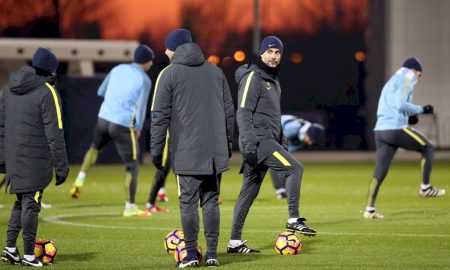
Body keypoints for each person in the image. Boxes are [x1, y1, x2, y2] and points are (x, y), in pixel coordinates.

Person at [151, 29, 234, 267]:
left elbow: (159, 116)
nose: (164, 51)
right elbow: (229, 112)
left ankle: (189, 255)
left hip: (187, 152)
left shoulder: (169, 73)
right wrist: (227, 146)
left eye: (167, 48)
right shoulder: (216, 72)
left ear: (173, 49)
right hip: (215, 153)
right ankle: (212, 255)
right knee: (210, 201)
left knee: (187, 203)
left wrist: (156, 152)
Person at [228, 36, 317, 254]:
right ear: (261, 54)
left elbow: (274, 117)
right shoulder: (253, 77)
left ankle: (234, 242)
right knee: (295, 168)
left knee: (249, 192)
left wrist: (282, 141)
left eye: (277, 52)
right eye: (269, 52)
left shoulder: (273, 80)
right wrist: (249, 144)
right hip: (258, 140)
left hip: (267, 140)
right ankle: (294, 219)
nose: (273, 56)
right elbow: (243, 112)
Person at [0, 47, 69, 267]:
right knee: (31, 205)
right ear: (51, 72)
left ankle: (10, 249)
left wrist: (2, 159)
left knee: (21, 202)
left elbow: (2, 126)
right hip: (35, 159)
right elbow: (55, 132)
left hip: (14, 157)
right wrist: (61, 166)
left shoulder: (8, 89)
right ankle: (30, 256)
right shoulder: (47, 92)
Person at [69, 44, 155, 217]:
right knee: (132, 166)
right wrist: (137, 128)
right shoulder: (144, 79)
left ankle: (80, 179)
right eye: (151, 60)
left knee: (94, 148)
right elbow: (141, 107)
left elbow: (101, 91)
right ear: (146, 61)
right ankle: (130, 207)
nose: (152, 64)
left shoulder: (117, 69)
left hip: (103, 118)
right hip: (122, 123)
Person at [364, 57, 445, 219]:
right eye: (419, 75)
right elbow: (400, 104)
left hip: (380, 131)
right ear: (413, 70)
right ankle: (425, 187)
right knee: (428, 147)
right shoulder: (407, 78)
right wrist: (422, 109)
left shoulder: (390, 82)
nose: (418, 78)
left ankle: (369, 210)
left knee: (379, 172)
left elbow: (390, 106)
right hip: (394, 128)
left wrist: (408, 118)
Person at [271, 115, 325, 199]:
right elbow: (274, 139)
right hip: (262, 129)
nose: (310, 143)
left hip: (272, 135)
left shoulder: (301, 139)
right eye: (310, 139)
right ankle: (281, 190)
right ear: (308, 133)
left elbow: (286, 152)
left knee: (280, 160)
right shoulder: (293, 128)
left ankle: (281, 190)